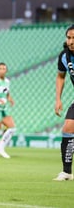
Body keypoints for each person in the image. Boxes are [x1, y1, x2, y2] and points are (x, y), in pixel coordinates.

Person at [54, 24, 74, 181]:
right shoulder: (64, 56)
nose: (71, 41)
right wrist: (58, 99)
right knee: (68, 127)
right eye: (69, 38)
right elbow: (61, 76)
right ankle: (67, 172)